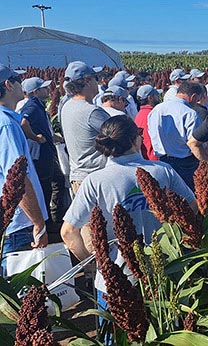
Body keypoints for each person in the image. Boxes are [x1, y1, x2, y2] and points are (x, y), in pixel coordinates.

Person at [60, 116, 194, 326]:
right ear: (135, 140)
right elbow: (191, 208)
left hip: (115, 280)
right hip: (162, 273)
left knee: (118, 335)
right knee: (163, 331)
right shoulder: (162, 171)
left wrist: (97, 264)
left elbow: (68, 232)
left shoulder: (95, 181)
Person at [0, 65, 49, 272]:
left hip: (10, 222)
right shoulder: (7, 126)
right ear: (8, 85)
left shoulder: (9, 121)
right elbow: (17, 178)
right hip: (19, 224)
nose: (22, 84)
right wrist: (38, 223)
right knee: (19, 294)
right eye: (17, 80)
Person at [19, 77, 66, 228]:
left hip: (48, 152)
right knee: (45, 187)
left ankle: (55, 217)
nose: (48, 90)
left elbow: (42, 127)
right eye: (44, 88)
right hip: (40, 156)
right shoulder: (32, 105)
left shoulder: (39, 105)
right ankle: (46, 223)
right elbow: (23, 123)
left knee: (58, 181)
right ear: (36, 92)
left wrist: (53, 137)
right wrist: (35, 138)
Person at [60, 61, 110, 194]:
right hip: (94, 178)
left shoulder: (67, 106)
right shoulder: (92, 111)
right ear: (87, 81)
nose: (98, 82)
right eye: (96, 78)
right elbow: (121, 133)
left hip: (78, 176)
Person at [148, 80, 202, 191]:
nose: (197, 102)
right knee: (188, 199)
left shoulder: (156, 110)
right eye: (197, 99)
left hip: (162, 161)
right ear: (193, 96)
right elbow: (194, 143)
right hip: (186, 164)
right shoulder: (190, 113)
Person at [133, 84, 161, 161]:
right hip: (154, 158)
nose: (158, 97)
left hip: (145, 157)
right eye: (156, 95)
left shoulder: (139, 115)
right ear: (150, 98)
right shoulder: (152, 115)